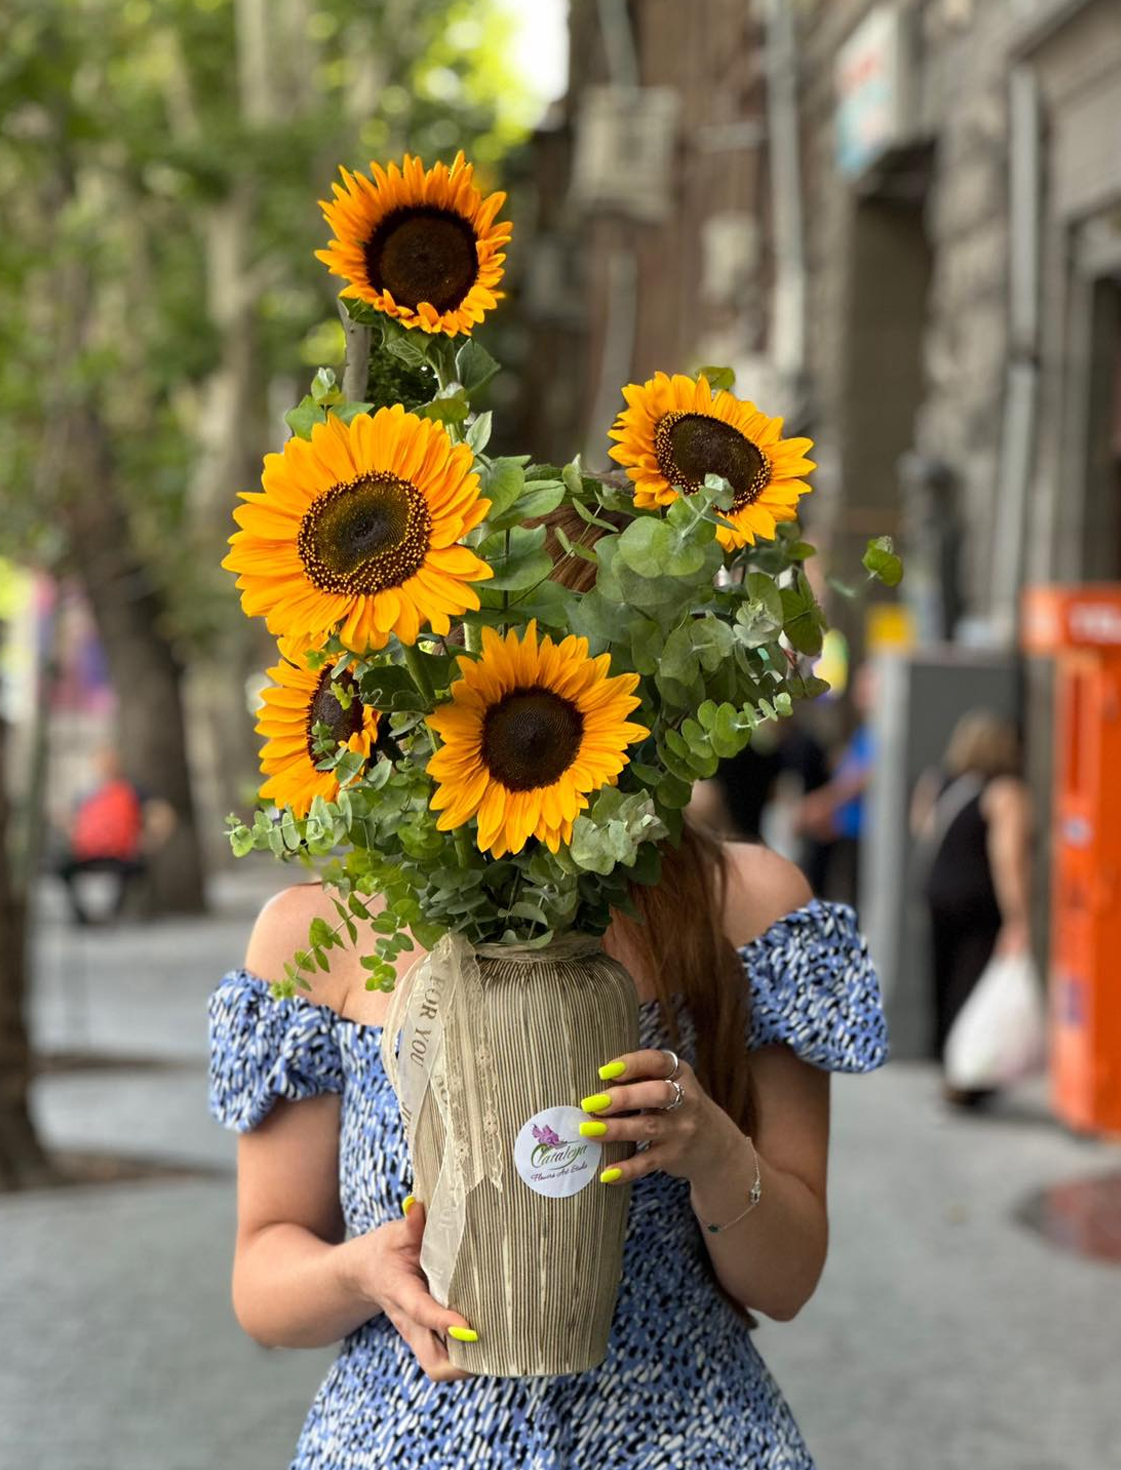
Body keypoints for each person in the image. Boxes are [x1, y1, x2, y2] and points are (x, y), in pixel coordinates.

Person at [207, 509, 889, 1469]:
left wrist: (708, 1149)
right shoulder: (316, 937)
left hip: (685, 1440)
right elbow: (263, 1278)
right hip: (400, 1441)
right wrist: (363, 1272)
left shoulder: (745, 907)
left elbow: (788, 1278)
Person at [910, 711, 1031, 1109]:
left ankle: (948, 1067)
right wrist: (1018, 918)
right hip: (978, 901)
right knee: (973, 984)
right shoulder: (1005, 792)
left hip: (938, 893)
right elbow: (1006, 857)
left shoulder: (937, 782)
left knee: (942, 982)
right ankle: (967, 1074)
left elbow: (922, 829)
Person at [55, 746, 173, 924]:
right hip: (88, 852)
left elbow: (162, 813)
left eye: (110, 762)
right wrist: (71, 831)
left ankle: (114, 914)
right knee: (60, 866)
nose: (106, 766)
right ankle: (82, 917)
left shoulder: (132, 790)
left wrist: (151, 839)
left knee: (135, 870)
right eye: (102, 762)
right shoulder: (87, 793)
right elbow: (69, 819)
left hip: (121, 853)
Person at [793, 663, 875, 903]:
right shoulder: (865, 730)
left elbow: (861, 777)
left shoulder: (880, 732)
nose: (858, 695)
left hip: (859, 834)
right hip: (843, 830)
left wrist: (822, 805)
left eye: (865, 687)